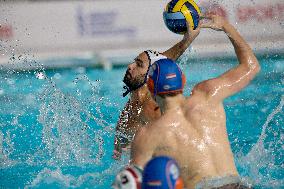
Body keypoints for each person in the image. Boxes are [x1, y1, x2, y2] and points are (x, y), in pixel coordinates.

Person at [130, 15, 260, 189]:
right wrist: (226, 27)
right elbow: (251, 66)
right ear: (183, 81)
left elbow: (134, 183)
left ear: (151, 89)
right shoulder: (208, 94)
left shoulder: (148, 135)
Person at [112, 20, 201, 159]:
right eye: (134, 61)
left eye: (138, 64)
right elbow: (161, 60)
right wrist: (186, 41)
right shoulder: (130, 108)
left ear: (150, 76)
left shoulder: (153, 108)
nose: (130, 66)